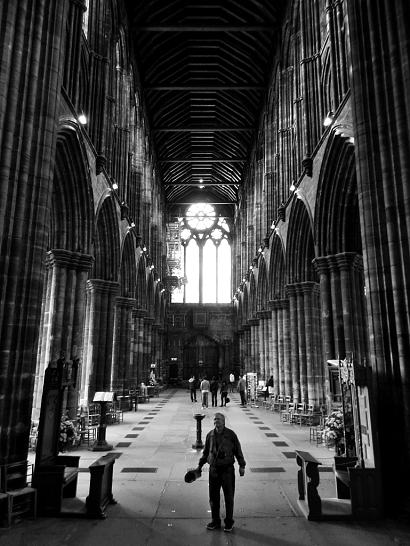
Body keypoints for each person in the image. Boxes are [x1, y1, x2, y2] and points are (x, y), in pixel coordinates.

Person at [194, 413, 246, 532]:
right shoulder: (210, 435)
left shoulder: (231, 435)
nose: (216, 421)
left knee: (229, 497)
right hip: (214, 470)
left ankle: (229, 521)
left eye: (218, 419)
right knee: (213, 497)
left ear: (223, 422)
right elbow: (206, 453)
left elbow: (238, 450)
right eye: (214, 419)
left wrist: (242, 465)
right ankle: (215, 520)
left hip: (227, 470)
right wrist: (199, 466)